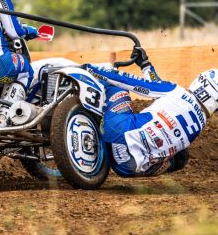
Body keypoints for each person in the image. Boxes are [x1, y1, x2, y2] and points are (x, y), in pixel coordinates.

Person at [85, 49, 217, 177]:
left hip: (117, 134)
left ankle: (84, 110)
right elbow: (157, 85)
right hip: (127, 167)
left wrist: (90, 69)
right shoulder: (200, 124)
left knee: (116, 84)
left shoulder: (177, 92)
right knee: (182, 156)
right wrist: (145, 65)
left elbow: (131, 82)